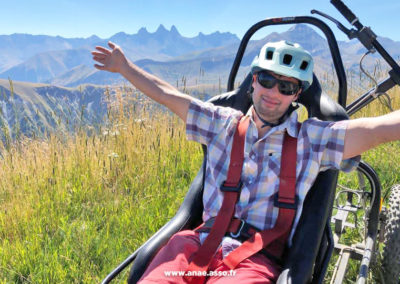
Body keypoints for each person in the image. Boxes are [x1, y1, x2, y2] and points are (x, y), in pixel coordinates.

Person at [92, 40, 400, 283]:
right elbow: (167, 94)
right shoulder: (220, 123)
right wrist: (124, 67)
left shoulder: (313, 140)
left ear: (297, 95)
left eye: (287, 87)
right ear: (253, 81)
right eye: (266, 80)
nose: (273, 93)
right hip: (196, 244)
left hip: (256, 259)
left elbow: (379, 129)